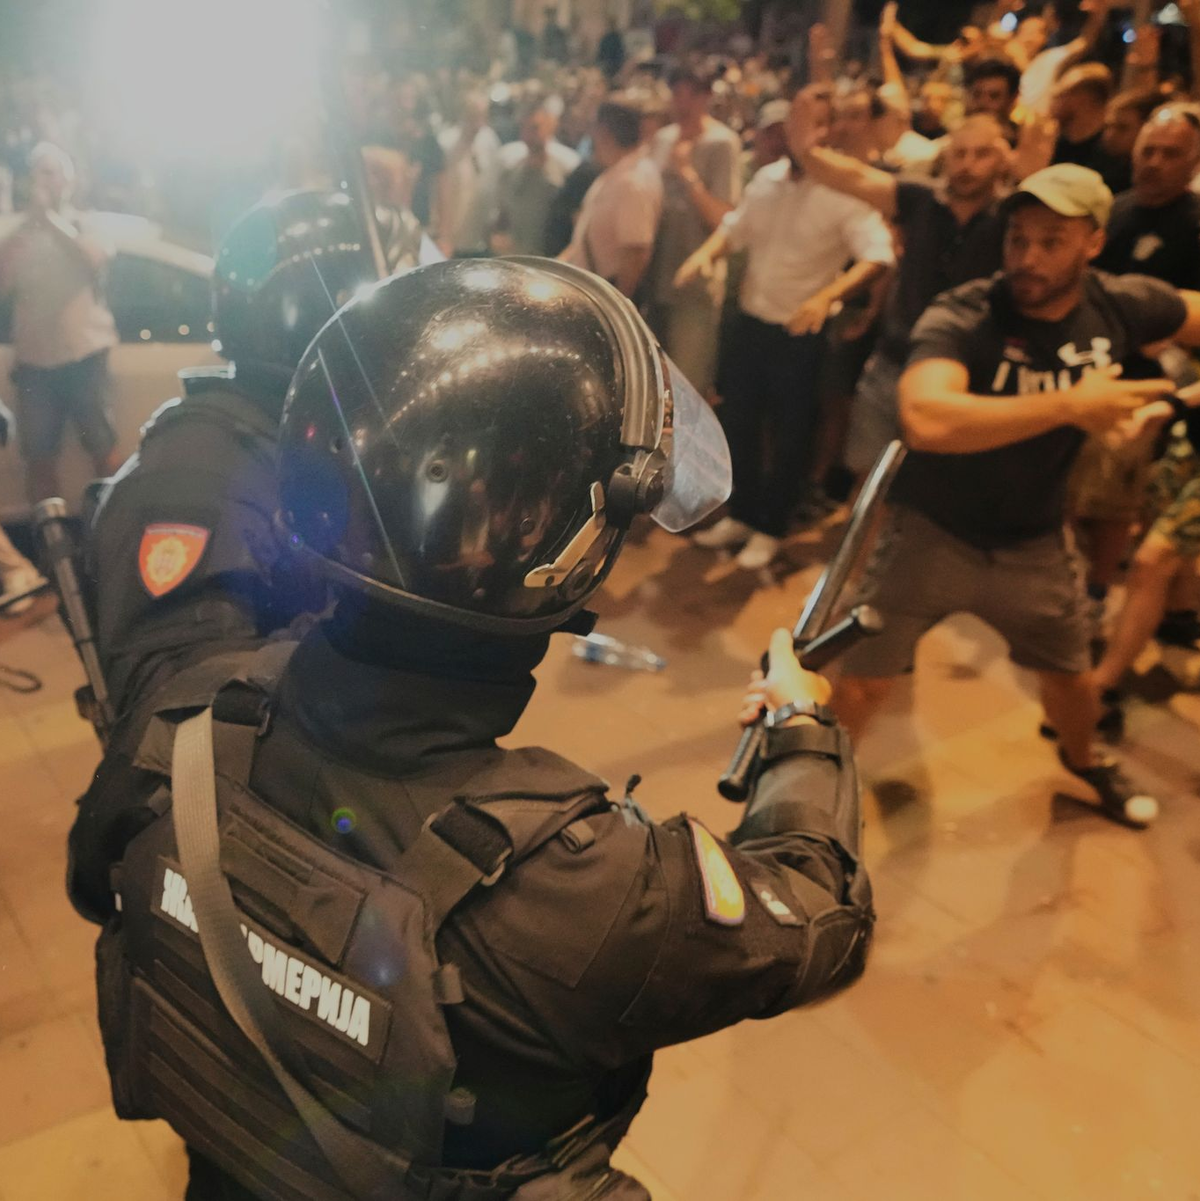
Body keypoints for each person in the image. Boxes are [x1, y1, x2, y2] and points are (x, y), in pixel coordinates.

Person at [67, 257, 873, 1201]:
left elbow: (95, 878)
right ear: (563, 555)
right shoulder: (580, 887)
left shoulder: (184, 714)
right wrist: (800, 727)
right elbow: (821, 916)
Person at [834, 164, 1200, 829]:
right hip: (932, 531)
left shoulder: (1122, 304)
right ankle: (809, 805)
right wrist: (1072, 404)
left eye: (1052, 241)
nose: (1028, 257)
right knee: (862, 680)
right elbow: (928, 418)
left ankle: (1085, 762)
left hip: (1034, 542)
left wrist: (1177, 398)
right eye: (1018, 238)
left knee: (1071, 681)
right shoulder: (966, 311)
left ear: (1094, 242)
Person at [86, 190, 379, 720]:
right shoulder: (195, 478)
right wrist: (378, 639)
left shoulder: (298, 437)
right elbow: (178, 708)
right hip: (249, 765)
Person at [677, 88, 894, 571]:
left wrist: (827, 295)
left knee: (792, 435)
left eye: (807, 122)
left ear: (827, 129)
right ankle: (742, 513)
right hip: (751, 320)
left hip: (800, 332)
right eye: (791, 121)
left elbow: (878, 256)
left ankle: (771, 527)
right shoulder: (768, 178)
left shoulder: (845, 190)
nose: (794, 133)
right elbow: (736, 228)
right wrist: (706, 254)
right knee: (738, 422)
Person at [794, 112, 1012, 478]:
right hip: (895, 359)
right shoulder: (920, 199)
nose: (967, 165)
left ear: (1002, 158)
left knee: (935, 485)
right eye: (959, 154)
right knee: (867, 474)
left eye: (981, 154)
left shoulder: (1012, 215)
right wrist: (805, 150)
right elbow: (856, 177)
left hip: (965, 375)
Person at [0, 141, 120, 505]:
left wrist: (48, 219)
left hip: (84, 357)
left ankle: (113, 524)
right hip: (35, 365)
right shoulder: (17, 235)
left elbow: (92, 259)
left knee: (103, 449)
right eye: (40, 173)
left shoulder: (86, 224)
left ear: (70, 181)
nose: (46, 182)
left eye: (54, 173)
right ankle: (50, 533)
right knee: (39, 459)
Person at [645, 66, 741, 398]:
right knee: (652, 384)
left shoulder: (722, 143)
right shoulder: (663, 138)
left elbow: (723, 219)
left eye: (691, 95)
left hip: (695, 286)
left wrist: (686, 172)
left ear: (706, 97)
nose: (682, 103)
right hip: (655, 279)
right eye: (677, 94)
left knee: (687, 388)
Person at [561, 99, 663, 299]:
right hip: (594, 291)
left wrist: (617, 305)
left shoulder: (633, 181)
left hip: (606, 296)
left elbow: (635, 251)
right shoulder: (619, 172)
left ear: (604, 131)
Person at [491, 98, 580, 257]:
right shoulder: (511, 169)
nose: (528, 136)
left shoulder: (569, 168)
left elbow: (579, 224)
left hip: (555, 261)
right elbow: (503, 215)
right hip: (518, 259)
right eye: (523, 128)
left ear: (551, 126)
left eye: (534, 128)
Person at [1050, 63, 1130, 193]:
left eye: (1062, 93)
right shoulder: (1059, 144)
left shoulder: (1112, 149)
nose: (1053, 99)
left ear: (1084, 99)